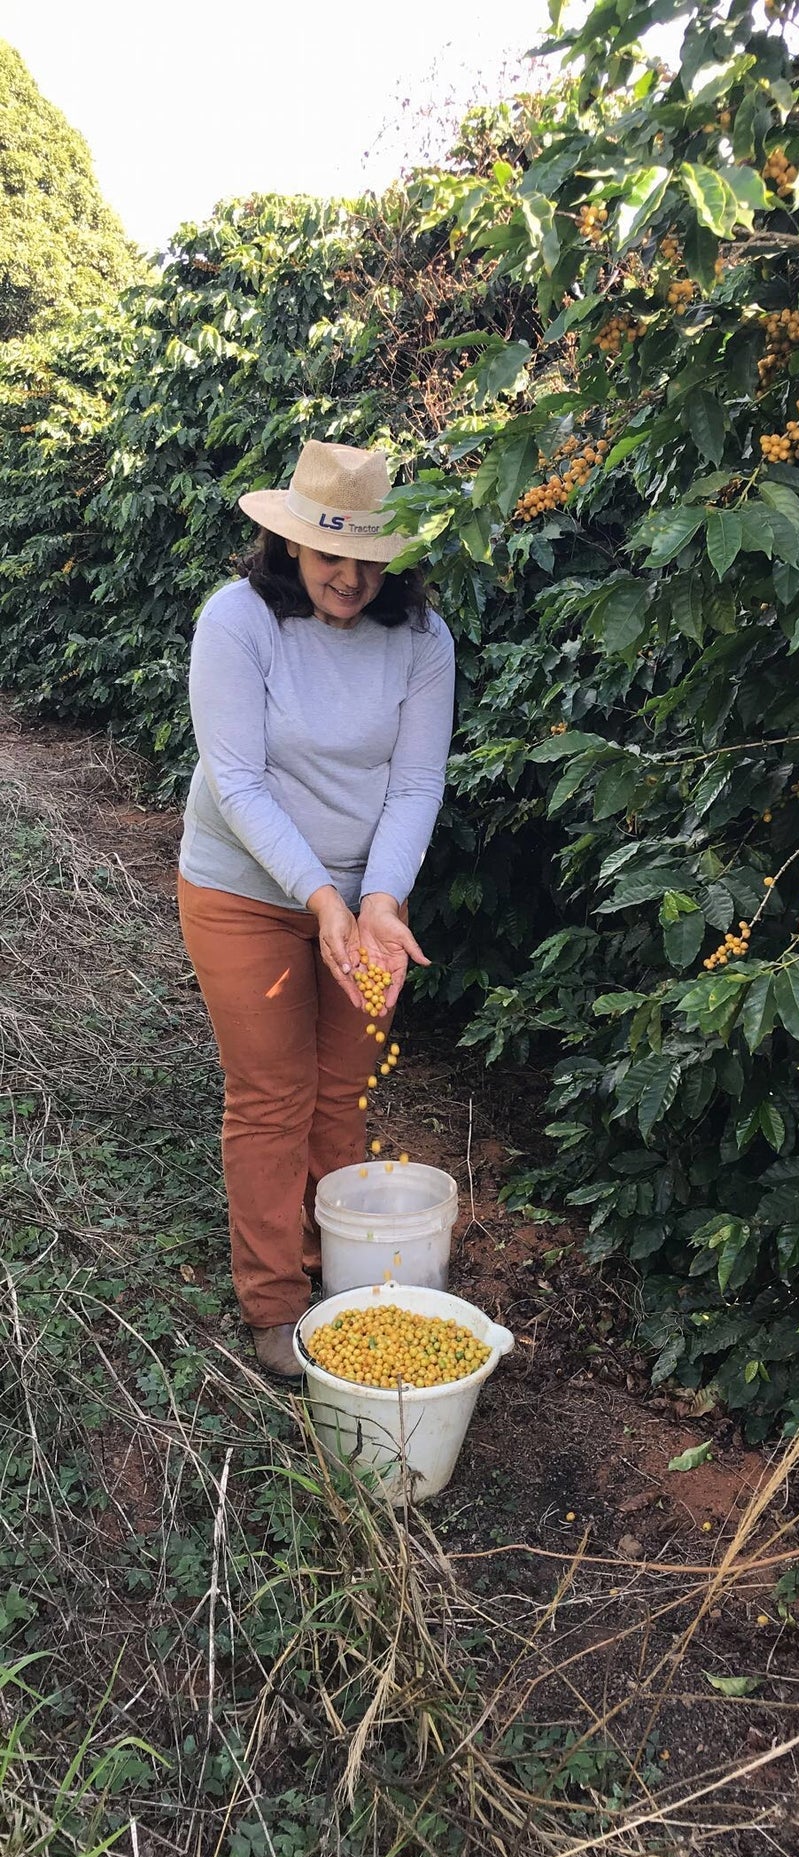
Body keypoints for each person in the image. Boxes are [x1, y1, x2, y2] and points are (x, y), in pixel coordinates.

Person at [177, 440, 454, 1380]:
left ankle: (331, 1265)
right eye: (331, 554)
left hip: (366, 902)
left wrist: (377, 901)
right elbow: (239, 782)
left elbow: (415, 785)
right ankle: (273, 1300)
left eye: (370, 559)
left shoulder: (421, 639)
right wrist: (321, 897)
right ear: (290, 544)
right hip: (243, 893)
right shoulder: (238, 621)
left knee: (343, 1090)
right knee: (271, 1094)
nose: (350, 577)